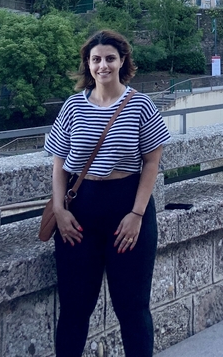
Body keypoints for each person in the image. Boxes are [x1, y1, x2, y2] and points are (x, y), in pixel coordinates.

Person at [45, 29, 171, 357]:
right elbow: (59, 164)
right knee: (74, 310)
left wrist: (137, 214)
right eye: (96, 59)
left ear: (122, 61)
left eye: (110, 58)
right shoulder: (73, 106)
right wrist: (59, 210)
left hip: (127, 211)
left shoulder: (140, 105)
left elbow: (152, 162)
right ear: (87, 64)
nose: (103, 65)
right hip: (78, 215)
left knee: (132, 310)